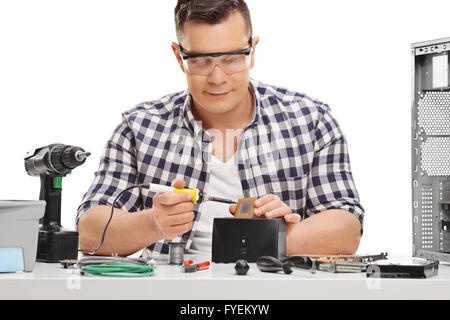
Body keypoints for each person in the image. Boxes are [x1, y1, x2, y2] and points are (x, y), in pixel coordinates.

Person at [76, 0, 364, 257]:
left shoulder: (310, 121)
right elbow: (89, 233)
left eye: (231, 58)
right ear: (179, 57)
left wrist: (270, 237)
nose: (217, 77)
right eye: (200, 60)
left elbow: (347, 230)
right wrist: (153, 223)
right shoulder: (139, 127)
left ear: (252, 51)